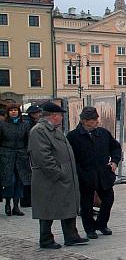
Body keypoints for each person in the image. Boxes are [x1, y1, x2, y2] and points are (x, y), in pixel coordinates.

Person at [28, 102, 89, 248]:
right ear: (53, 116)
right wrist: (58, 172)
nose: (62, 118)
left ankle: (71, 236)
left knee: (67, 205)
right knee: (46, 209)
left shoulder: (53, 130)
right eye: (60, 116)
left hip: (63, 177)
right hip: (49, 178)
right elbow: (43, 156)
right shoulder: (39, 131)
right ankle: (46, 239)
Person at [66, 106, 122, 239]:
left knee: (108, 199)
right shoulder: (73, 136)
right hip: (85, 175)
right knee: (86, 205)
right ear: (85, 121)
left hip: (103, 174)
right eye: (94, 119)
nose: (97, 121)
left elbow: (115, 148)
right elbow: (71, 158)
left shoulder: (102, 133)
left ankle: (101, 224)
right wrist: (80, 173)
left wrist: (114, 161)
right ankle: (89, 228)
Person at [0, 103, 32, 216]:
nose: (13, 112)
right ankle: (8, 204)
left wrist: (27, 152)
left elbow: (28, 140)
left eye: (15, 110)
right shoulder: (3, 125)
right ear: (8, 113)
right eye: (11, 110)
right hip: (6, 155)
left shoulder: (25, 125)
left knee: (20, 180)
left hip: (21, 155)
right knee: (10, 181)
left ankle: (16, 206)